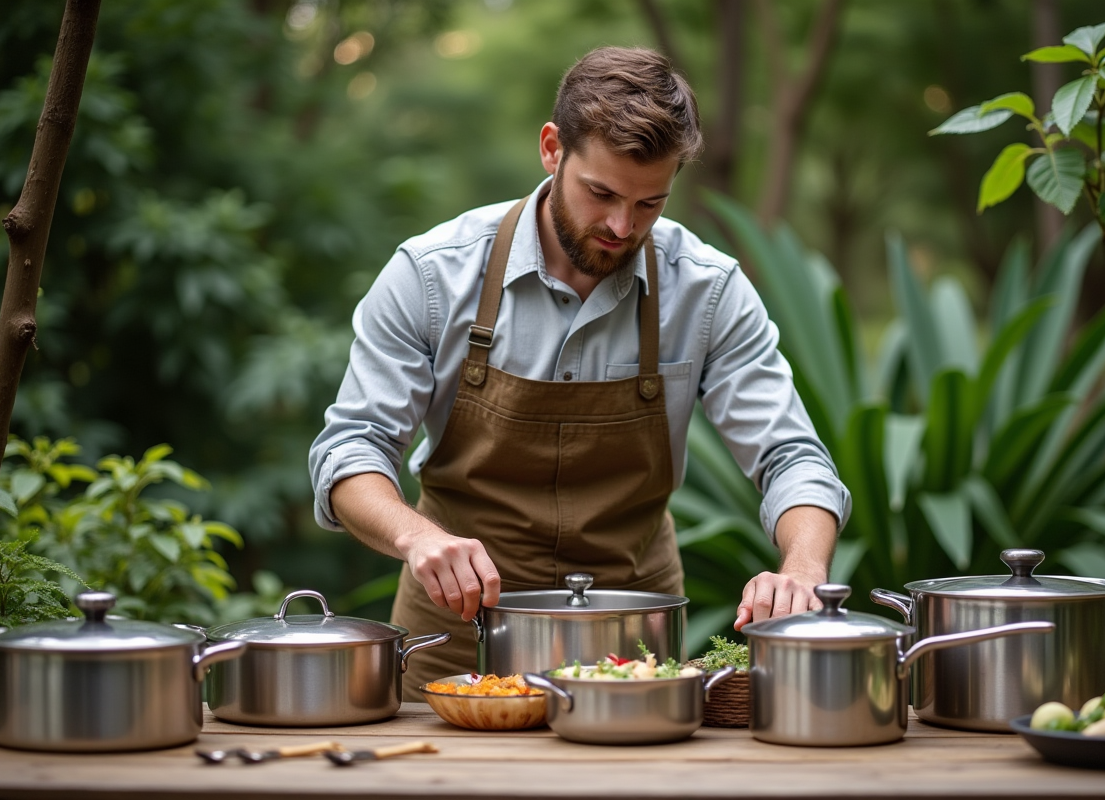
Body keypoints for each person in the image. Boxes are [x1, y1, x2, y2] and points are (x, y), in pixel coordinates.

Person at [309, 46, 851, 698]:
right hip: (456, 631)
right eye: (602, 194)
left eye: (650, 203)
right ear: (550, 148)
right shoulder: (432, 276)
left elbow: (792, 456)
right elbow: (350, 451)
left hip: (635, 642)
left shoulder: (706, 291)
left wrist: (801, 566)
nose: (623, 227)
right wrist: (417, 536)